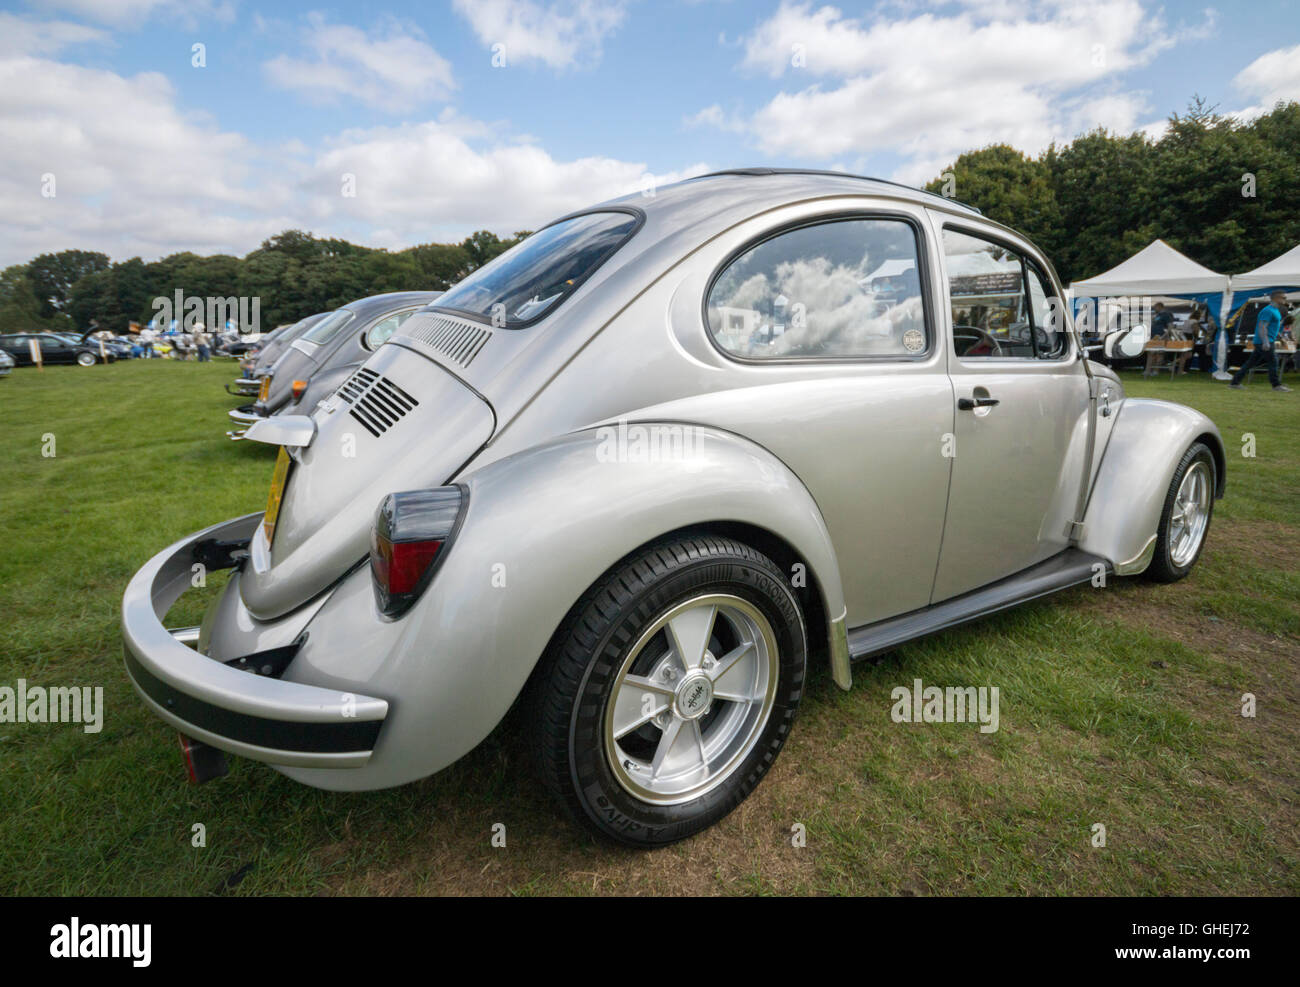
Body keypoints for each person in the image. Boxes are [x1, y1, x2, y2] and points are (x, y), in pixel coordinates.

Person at [1229, 289, 1292, 391]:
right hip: (1264, 341)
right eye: (1283, 297)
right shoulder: (1267, 311)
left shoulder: (1275, 310)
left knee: (1250, 363)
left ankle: (1234, 382)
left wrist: (1280, 337)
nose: (1285, 299)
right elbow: (1262, 327)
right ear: (1276, 298)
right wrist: (1265, 341)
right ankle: (1276, 385)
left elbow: (1273, 327)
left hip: (1265, 340)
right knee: (1273, 362)